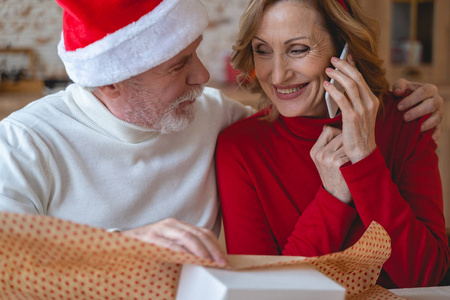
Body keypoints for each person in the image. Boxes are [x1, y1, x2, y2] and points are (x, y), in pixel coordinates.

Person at [0, 0, 443, 267]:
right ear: (112, 81)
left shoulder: (212, 116)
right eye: (178, 65)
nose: (205, 75)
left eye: (195, 54)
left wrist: (407, 101)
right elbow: (8, 265)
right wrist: (120, 248)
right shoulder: (23, 144)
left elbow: (292, 120)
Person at [216, 0, 449, 289]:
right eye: (262, 50)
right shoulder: (240, 148)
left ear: (344, 49)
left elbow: (426, 277)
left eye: (298, 49)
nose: (277, 75)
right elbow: (263, 291)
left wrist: (365, 159)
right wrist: (332, 199)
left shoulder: (407, 119)